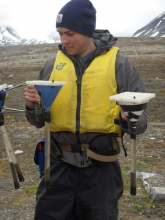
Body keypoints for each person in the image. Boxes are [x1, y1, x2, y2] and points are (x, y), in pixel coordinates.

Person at [24, 0, 147, 219]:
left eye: (69, 33)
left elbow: (142, 123)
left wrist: (129, 118)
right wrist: (32, 106)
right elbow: (38, 121)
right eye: (60, 33)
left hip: (101, 170)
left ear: (87, 30)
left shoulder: (120, 64)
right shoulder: (52, 64)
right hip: (58, 166)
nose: (64, 40)